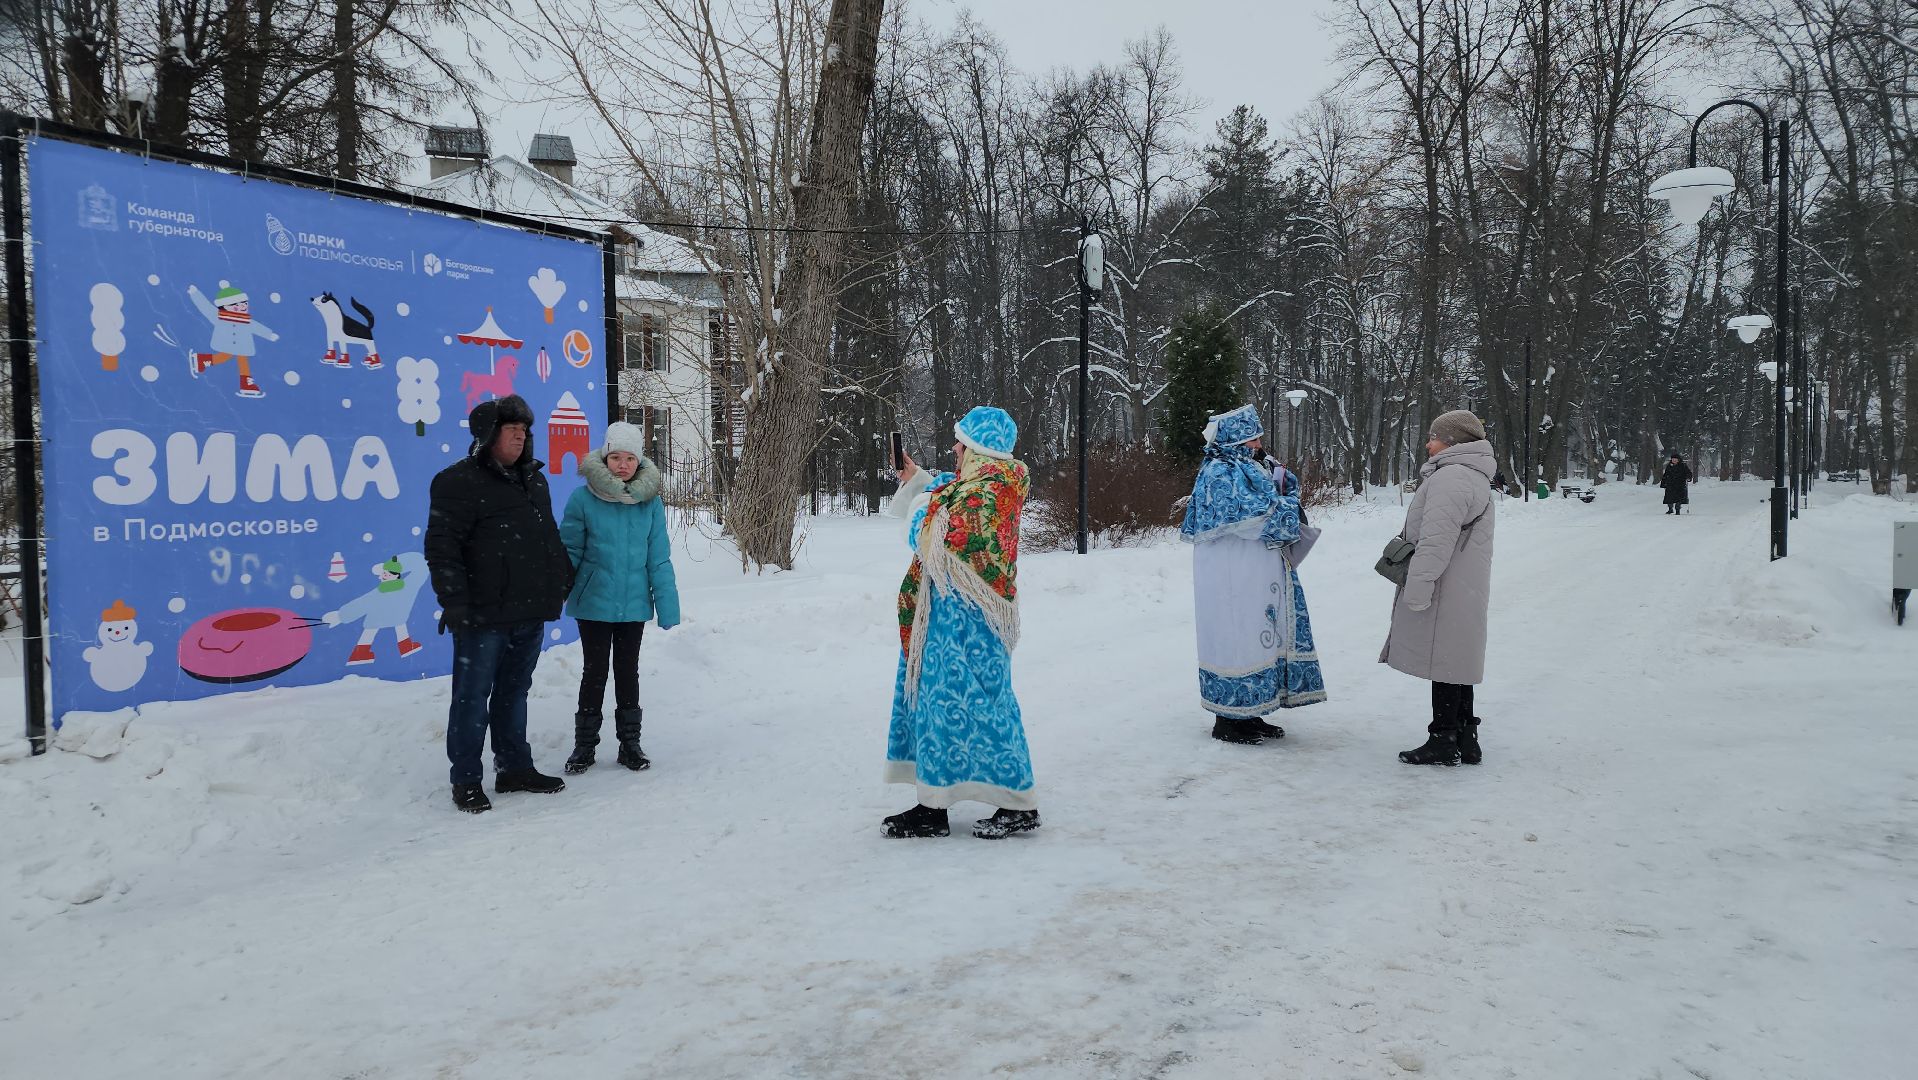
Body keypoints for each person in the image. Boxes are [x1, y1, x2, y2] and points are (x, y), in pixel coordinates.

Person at [880, 407, 1039, 840]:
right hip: (947, 619)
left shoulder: (992, 492)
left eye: (961, 442)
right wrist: (914, 478)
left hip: (973, 624)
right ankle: (933, 804)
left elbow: (933, 531)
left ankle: (1017, 804)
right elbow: (942, 493)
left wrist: (920, 507)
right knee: (936, 704)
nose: (954, 449)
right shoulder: (978, 484)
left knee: (986, 704)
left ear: (979, 449)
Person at [425, 394, 575, 813]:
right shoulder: (457, 482)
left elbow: (547, 536)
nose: (520, 438)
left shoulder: (534, 479)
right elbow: (442, 548)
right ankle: (466, 779)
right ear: (488, 435)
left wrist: (563, 576)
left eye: (524, 432)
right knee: (472, 697)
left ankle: (513, 768)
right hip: (482, 614)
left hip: (529, 610)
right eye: (512, 431)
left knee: (514, 692)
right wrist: (453, 601)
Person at [1182, 404, 1326, 746]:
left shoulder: (1246, 468)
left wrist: (1284, 486)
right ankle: (1228, 719)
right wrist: (1286, 506)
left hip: (1253, 571)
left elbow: (1268, 506)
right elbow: (1252, 518)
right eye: (1253, 437)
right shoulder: (1219, 472)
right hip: (1230, 574)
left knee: (1255, 635)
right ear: (1237, 438)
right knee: (1236, 636)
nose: (1259, 443)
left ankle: (1250, 712)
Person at [558, 421, 680, 774]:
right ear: (604, 457)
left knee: (627, 672)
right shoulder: (582, 499)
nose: (622, 464)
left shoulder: (649, 504)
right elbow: (570, 551)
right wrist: (555, 594)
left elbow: (658, 557)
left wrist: (667, 605)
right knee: (594, 672)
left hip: (633, 604)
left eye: (629, 458)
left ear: (639, 461)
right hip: (593, 602)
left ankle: (630, 745)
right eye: (615, 457)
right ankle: (584, 747)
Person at [1384, 410, 1497, 766]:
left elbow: (1435, 543)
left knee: (1445, 659)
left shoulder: (1452, 478)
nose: (1428, 444)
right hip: (1464, 584)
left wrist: (1418, 588)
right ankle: (1466, 735)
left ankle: (1444, 738)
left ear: (1451, 442)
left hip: (1446, 585)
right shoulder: (1474, 475)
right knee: (1457, 658)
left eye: (1433, 437)